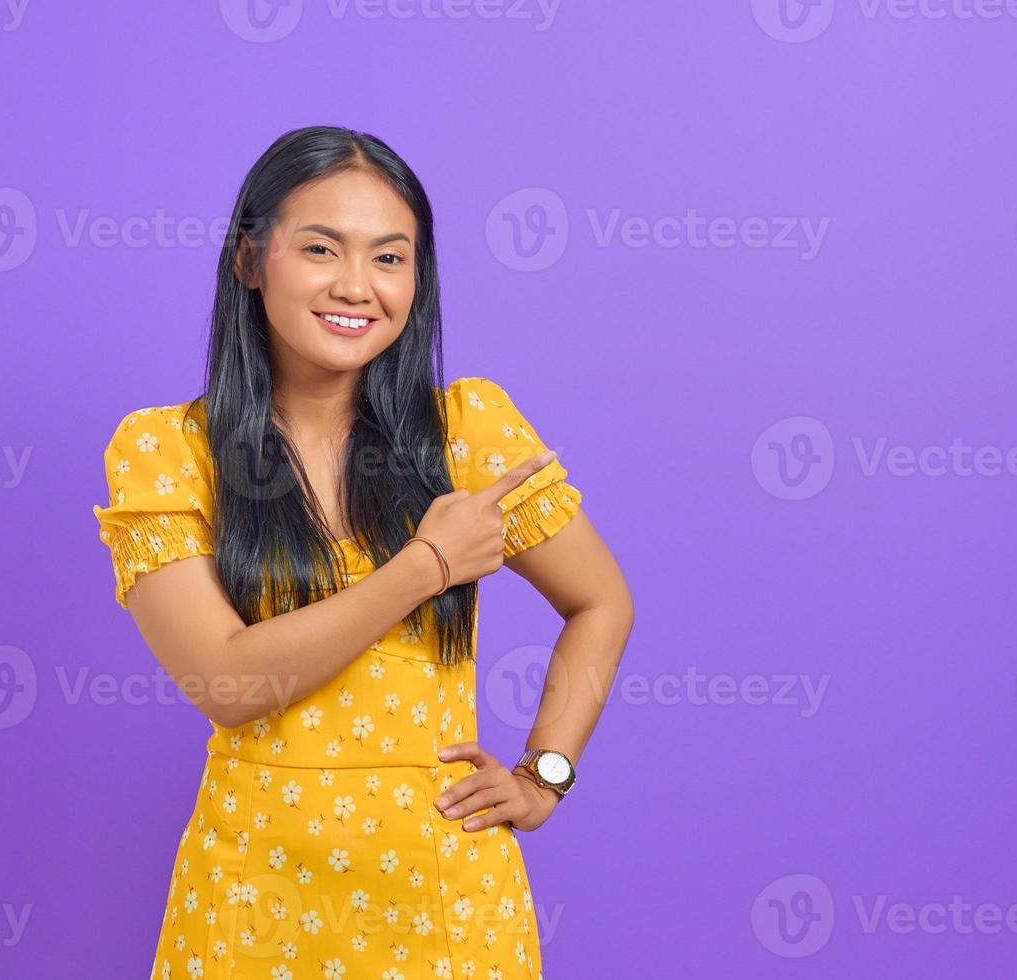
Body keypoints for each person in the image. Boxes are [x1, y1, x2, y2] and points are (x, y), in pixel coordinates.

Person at [90, 126, 634, 979]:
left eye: (391, 258)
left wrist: (544, 775)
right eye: (320, 249)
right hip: (250, 893)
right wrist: (427, 565)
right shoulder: (169, 450)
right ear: (250, 260)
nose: (357, 286)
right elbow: (228, 683)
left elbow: (601, 603)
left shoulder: (465, 432)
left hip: (446, 894)